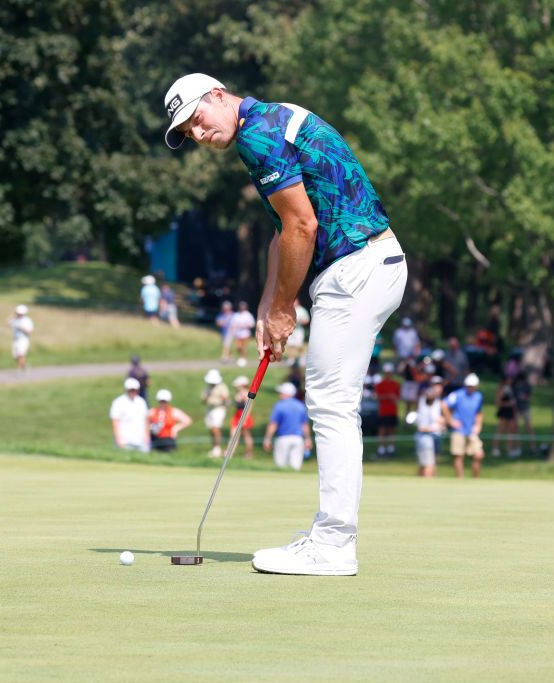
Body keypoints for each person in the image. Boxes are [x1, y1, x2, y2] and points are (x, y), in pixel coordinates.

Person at [165, 72, 406, 575]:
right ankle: (329, 536)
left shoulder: (256, 137)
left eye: (196, 118)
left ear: (216, 94)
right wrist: (266, 306)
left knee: (331, 404)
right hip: (368, 266)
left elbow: (304, 226)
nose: (198, 133)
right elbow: (285, 230)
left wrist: (283, 309)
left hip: (355, 268)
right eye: (187, 132)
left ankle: (335, 544)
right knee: (330, 401)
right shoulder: (271, 120)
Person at [442, 373, 484, 478]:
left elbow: (479, 412)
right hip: (459, 430)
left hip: (471, 430)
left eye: (473, 386)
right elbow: (444, 404)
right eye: (469, 386)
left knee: (478, 455)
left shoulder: (478, 397)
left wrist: (478, 425)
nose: (471, 388)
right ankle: (460, 480)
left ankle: (476, 480)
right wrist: (451, 421)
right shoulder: (457, 394)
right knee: (458, 456)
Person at [263, 382, 312, 471]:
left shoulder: (279, 406)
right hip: (298, 439)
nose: (279, 395)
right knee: (295, 467)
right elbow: (304, 425)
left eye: (281, 393)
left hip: (283, 439)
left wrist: (267, 438)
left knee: (280, 466)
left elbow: (273, 424)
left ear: (287, 394)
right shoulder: (301, 406)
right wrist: (308, 439)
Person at [414, 378, 446, 477]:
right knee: (429, 465)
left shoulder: (439, 402)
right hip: (425, 437)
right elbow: (421, 427)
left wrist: (442, 423)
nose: (438, 388)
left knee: (427, 464)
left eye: (439, 385)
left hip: (435, 436)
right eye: (435, 385)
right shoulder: (425, 400)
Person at [110, 377, 149, 451]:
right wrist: (118, 438)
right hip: (125, 440)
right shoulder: (118, 402)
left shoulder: (141, 402)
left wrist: (147, 437)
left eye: (134, 390)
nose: (132, 392)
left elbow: (145, 421)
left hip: (140, 441)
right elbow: (115, 422)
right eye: (130, 390)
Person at [374, 362, 401, 458]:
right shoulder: (380, 384)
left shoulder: (396, 384)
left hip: (392, 411)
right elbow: (377, 397)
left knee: (391, 430)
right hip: (383, 411)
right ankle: (381, 449)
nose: (388, 374)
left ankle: (391, 448)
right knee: (382, 430)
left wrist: (394, 399)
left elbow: (398, 398)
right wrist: (388, 397)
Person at [201, 368, 230, 458]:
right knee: (211, 429)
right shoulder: (207, 388)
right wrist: (207, 396)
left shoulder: (222, 387)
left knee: (215, 428)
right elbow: (203, 401)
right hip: (209, 409)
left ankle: (217, 448)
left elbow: (226, 400)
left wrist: (222, 399)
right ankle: (214, 448)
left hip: (218, 409)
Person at [491, 376, 519, 458]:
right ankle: (495, 448)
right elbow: (498, 402)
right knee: (501, 430)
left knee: (511, 431)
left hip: (511, 411)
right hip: (504, 411)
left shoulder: (512, 388)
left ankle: (509, 449)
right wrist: (508, 404)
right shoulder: (501, 389)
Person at [230, 376, 256, 459]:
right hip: (237, 415)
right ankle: (230, 453)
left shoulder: (246, 393)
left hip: (244, 415)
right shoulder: (238, 394)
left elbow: (249, 406)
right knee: (234, 434)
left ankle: (249, 453)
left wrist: (245, 418)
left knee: (246, 435)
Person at [228, 301, 256, 368]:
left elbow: (252, 324)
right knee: (238, 347)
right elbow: (232, 324)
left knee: (244, 346)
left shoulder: (248, 315)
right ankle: (241, 357)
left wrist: (244, 325)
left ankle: (242, 358)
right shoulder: (236, 315)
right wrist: (231, 332)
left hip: (245, 333)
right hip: (237, 334)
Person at [284, 299, 311, 367]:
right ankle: (291, 359)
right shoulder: (288, 310)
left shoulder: (302, 310)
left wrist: (300, 321)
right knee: (290, 345)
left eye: (295, 301)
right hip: (290, 330)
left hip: (299, 330)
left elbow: (307, 320)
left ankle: (302, 358)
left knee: (299, 345)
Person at [513, 371, 535, 454]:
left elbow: (529, 395)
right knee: (517, 429)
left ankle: (533, 447)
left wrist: (524, 397)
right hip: (517, 409)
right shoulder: (515, 385)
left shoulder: (527, 385)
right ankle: (518, 447)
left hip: (525, 408)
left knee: (529, 428)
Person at [9, 304, 34, 372]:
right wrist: (12, 317)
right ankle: (24, 366)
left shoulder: (27, 320)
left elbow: (30, 331)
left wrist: (22, 328)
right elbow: (8, 324)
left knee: (21, 354)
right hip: (15, 339)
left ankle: (20, 369)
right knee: (15, 356)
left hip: (23, 339)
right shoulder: (15, 319)